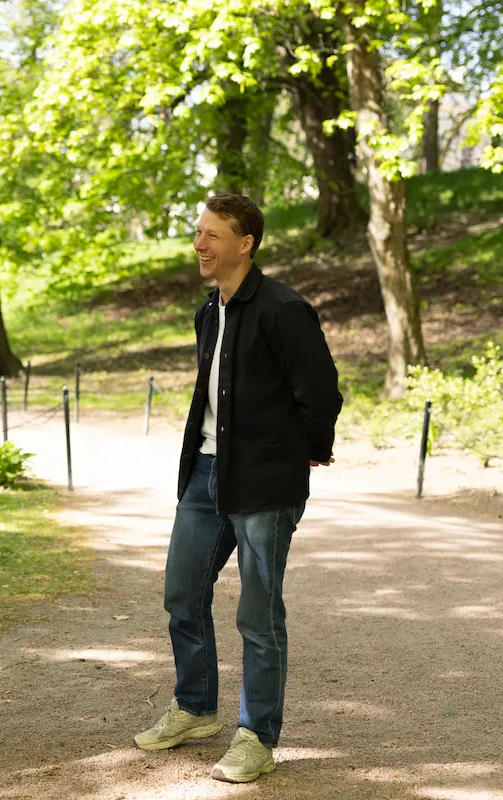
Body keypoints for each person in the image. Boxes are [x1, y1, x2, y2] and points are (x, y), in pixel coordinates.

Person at [133, 192, 342, 783]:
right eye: (198, 233)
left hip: (264, 486)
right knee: (182, 594)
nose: (200, 245)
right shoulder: (209, 311)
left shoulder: (283, 309)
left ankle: (257, 736)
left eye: (212, 235)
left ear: (245, 243)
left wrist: (304, 454)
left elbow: (320, 394)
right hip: (204, 474)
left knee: (257, 614)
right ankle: (196, 709)